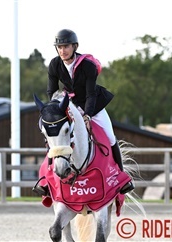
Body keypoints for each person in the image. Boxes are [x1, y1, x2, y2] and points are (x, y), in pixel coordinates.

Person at [45, 29, 134, 194]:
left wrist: (87, 115)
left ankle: (121, 178)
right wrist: (56, 112)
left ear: (75, 46)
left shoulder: (87, 66)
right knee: (55, 135)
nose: (62, 50)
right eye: (59, 47)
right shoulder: (54, 64)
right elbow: (51, 92)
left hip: (92, 103)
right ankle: (46, 181)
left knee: (110, 136)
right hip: (69, 103)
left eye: (66, 46)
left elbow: (91, 94)